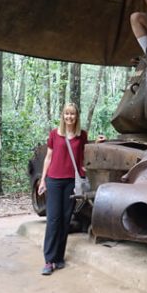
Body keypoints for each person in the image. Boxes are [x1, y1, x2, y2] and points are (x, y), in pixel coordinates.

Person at [37, 103, 105, 275]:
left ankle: (59, 257)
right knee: (53, 219)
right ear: (63, 116)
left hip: (70, 182)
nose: (69, 117)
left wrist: (97, 142)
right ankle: (49, 260)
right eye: (67, 114)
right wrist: (43, 180)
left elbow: (85, 151)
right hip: (54, 180)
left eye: (72, 114)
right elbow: (48, 157)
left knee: (65, 220)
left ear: (76, 116)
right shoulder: (54, 134)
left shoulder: (81, 135)